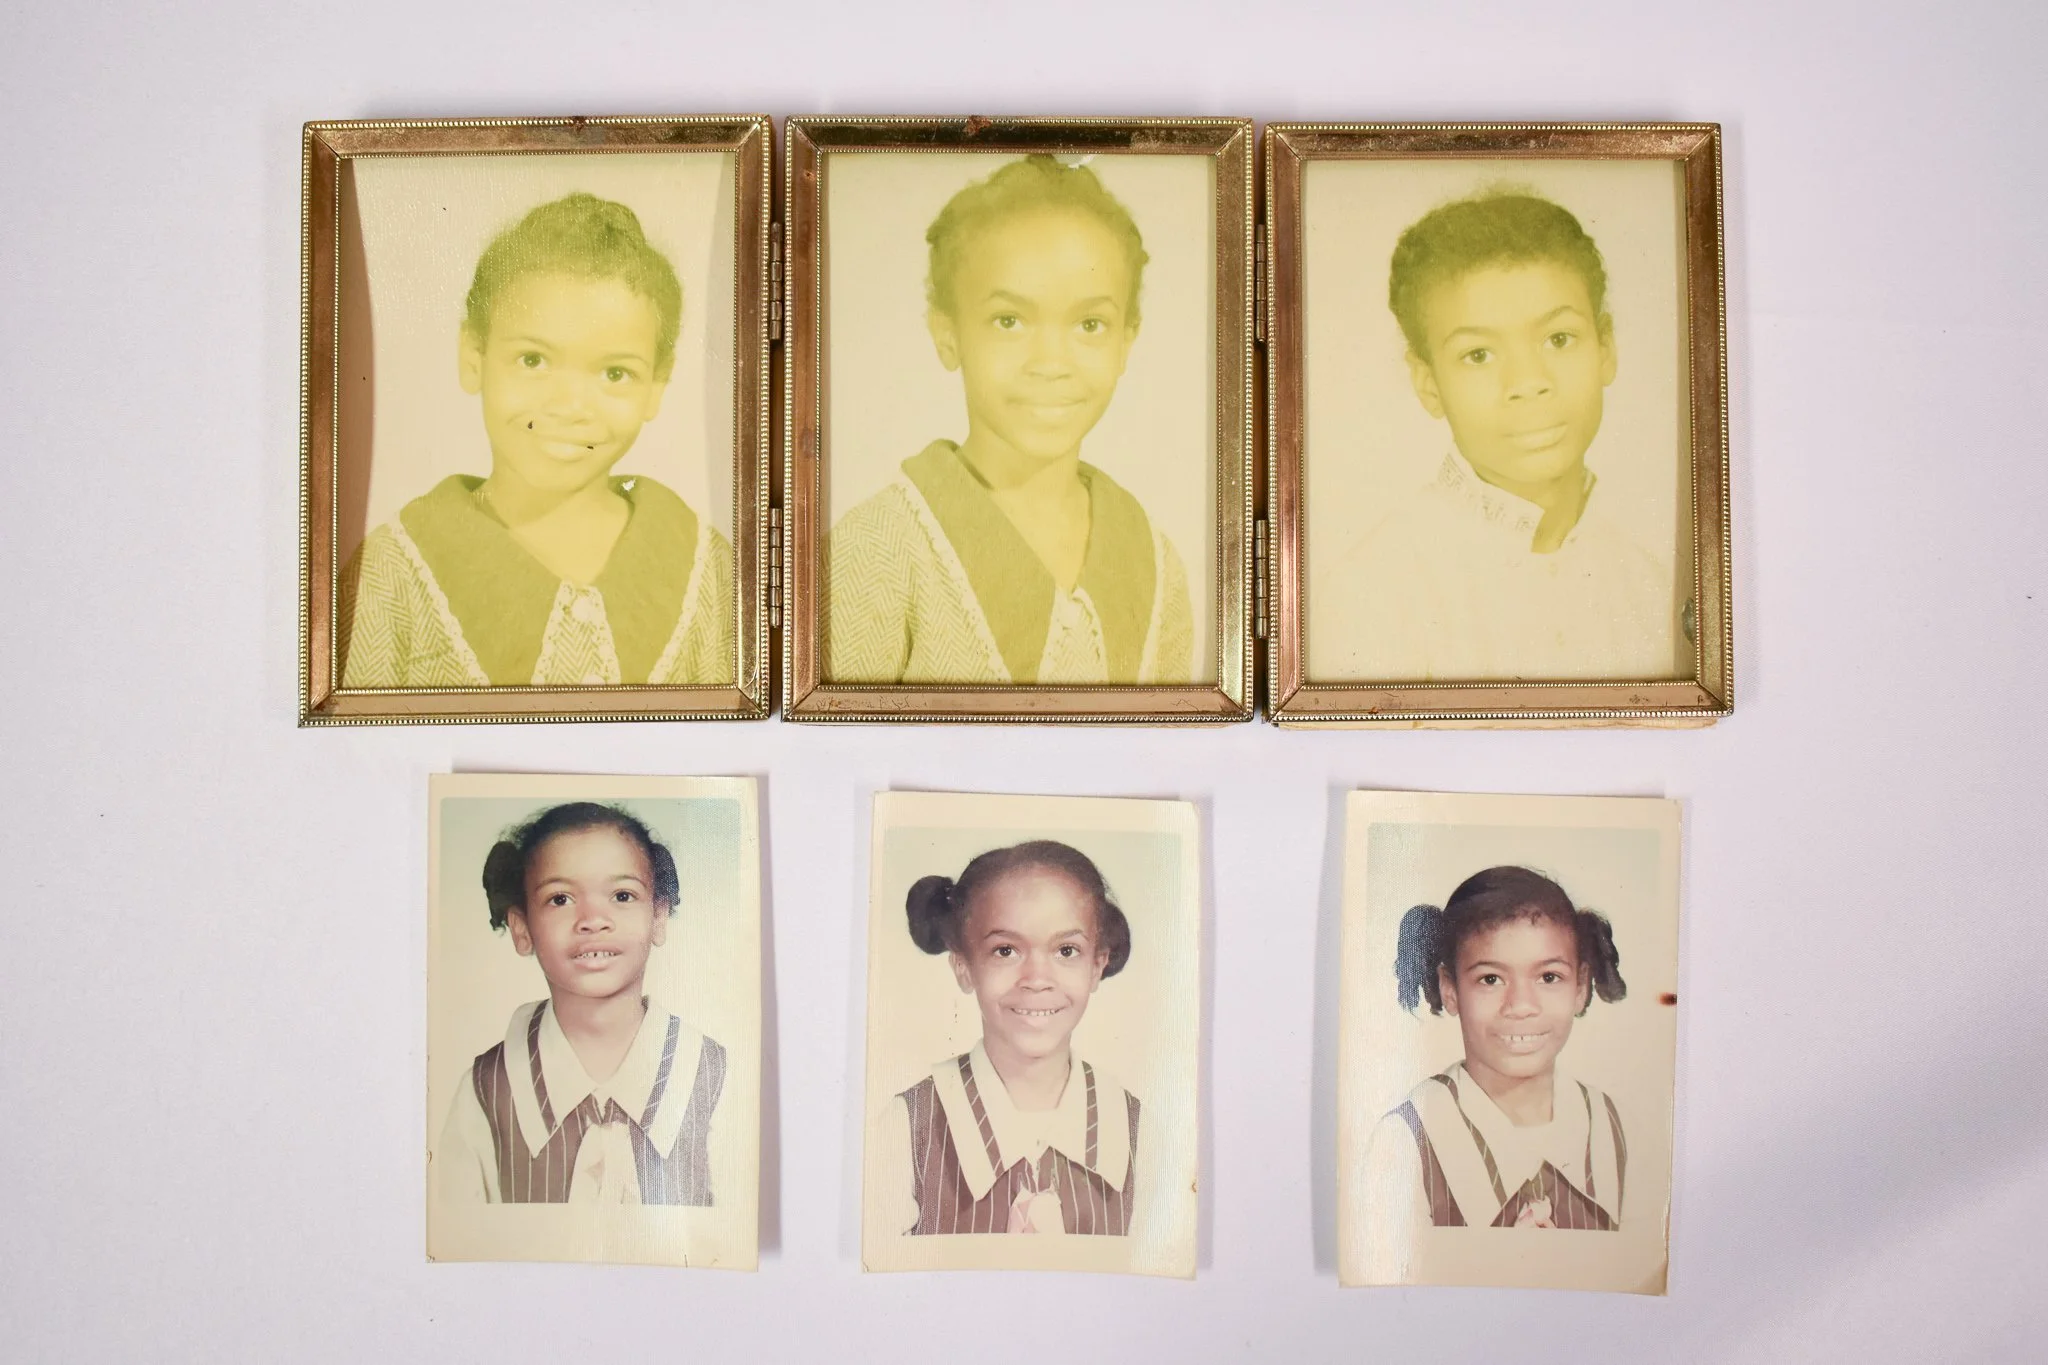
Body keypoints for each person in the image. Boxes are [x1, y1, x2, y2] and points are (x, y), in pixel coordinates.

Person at [825, 155, 1194, 685]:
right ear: (947, 334)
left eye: (1090, 324)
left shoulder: (1156, 565)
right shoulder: (875, 550)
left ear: (1125, 344)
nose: (1050, 362)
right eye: (1009, 320)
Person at [339, 192, 731, 688]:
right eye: (533, 360)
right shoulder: (389, 571)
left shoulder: (707, 567)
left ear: (657, 384)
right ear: (473, 355)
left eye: (615, 372)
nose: (569, 406)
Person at [1324, 187, 1679, 682]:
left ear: (1606, 348)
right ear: (1429, 383)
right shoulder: (1374, 595)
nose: (1527, 383)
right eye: (1479, 355)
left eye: (1559, 339)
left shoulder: (1652, 587)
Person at [434, 802, 727, 1205]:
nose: (593, 919)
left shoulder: (713, 1079)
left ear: (658, 917)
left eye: (622, 895)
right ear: (522, 928)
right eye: (560, 899)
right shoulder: (485, 1091)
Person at [877, 840, 1140, 1235]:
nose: (1036, 979)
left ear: (1097, 965)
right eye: (1005, 951)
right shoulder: (904, 1130)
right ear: (964, 967)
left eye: (1066, 950)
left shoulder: (1143, 1134)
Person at [1363, 865, 1629, 1243]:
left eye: (1548, 977)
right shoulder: (1406, 1141)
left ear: (1581, 986)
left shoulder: (1613, 1126)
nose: (1521, 1006)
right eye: (1490, 979)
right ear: (1450, 989)